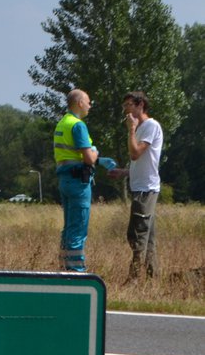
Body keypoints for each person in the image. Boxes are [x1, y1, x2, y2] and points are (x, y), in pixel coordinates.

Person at [53, 88, 116, 273]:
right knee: (78, 229)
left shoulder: (62, 123)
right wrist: (96, 153)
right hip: (78, 181)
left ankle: (64, 267)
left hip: (65, 179)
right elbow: (88, 158)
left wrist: (95, 156)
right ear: (79, 103)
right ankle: (76, 272)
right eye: (88, 102)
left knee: (68, 227)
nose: (90, 106)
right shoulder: (78, 125)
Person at [120, 91, 164, 280]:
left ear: (140, 105)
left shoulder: (150, 126)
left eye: (128, 105)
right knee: (147, 235)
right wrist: (124, 172)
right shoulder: (140, 128)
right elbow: (139, 160)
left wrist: (131, 130)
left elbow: (136, 152)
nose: (125, 109)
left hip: (146, 189)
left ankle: (134, 279)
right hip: (139, 186)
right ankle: (153, 277)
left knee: (138, 234)